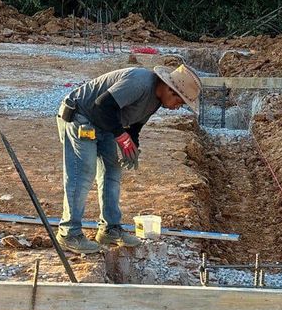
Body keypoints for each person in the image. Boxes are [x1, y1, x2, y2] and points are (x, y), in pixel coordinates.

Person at [55, 63, 202, 254]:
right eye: (180, 102)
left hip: (105, 124)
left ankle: (110, 229)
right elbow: (102, 105)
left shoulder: (156, 100)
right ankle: (69, 233)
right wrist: (121, 136)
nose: (177, 108)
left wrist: (133, 146)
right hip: (81, 116)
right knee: (83, 173)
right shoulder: (139, 83)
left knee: (112, 172)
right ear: (169, 89)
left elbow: (134, 127)